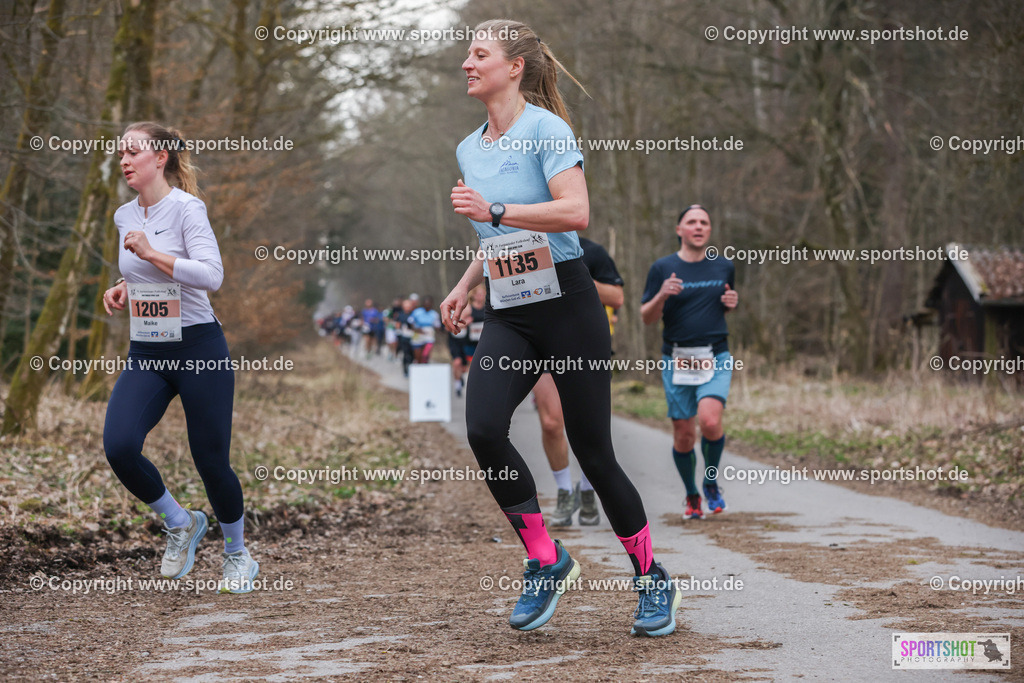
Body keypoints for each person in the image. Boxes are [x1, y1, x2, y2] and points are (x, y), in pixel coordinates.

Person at [440, 19, 680, 637]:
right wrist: (465, 285)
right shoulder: (469, 149)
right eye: (467, 53)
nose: (467, 63)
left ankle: (652, 578)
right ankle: (545, 558)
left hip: (569, 303)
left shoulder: (548, 129)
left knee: (593, 452)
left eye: (479, 53)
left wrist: (496, 208)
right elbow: (491, 235)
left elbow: (576, 211)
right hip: (510, 307)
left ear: (514, 66)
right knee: (483, 428)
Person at [102, 122, 259, 593]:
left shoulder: (189, 209)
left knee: (210, 460)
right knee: (119, 446)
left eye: (133, 151)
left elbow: (212, 275)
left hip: (198, 349)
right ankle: (180, 522)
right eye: (121, 153)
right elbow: (142, 269)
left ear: (161, 158)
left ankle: (237, 555)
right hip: (148, 350)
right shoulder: (123, 215)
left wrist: (151, 254)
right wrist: (124, 285)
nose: (124, 160)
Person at [640, 205, 738, 520]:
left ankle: (710, 482)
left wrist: (731, 304)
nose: (698, 227)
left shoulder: (723, 266)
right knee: (684, 434)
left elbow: (723, 305)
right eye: (691, 222)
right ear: (679, 229)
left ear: (709, 229)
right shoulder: (662, 267)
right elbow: (647, 317)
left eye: (704, 222)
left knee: (709, 421)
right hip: (677, 359)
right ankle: (692, 494)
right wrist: (662, 295)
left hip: (715, 355)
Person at [538, 236, 624, 527]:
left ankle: (588, 491)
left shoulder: (593, 252)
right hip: (542, 343)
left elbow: (617, 298)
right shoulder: (527, 245)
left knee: (589, 427)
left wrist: (573, 274)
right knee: (551, 424)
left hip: (586, 345)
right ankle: (564, 491)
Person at [450, 285, 486, 397]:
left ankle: (477, 386)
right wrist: (466, 323)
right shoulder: (469, 309)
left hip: (482, 342)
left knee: (481, 366)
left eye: (482, 294)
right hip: (469, 342)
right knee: (469, 365)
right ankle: (467, 387)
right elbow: (456, 324)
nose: (481, 296)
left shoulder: (488, 308)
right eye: (478, 294)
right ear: (473, 295)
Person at [410, 296, 441, 363]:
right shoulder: (417, 312)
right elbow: (410, 323)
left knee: (425, 355)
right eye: (426, 303)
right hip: (417, 332)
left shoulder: (434, 314)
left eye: (429, 303)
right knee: (417, 354)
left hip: (429, 333)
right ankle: (418, 363)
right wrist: (416, 329)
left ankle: (424, 363)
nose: (427, 305)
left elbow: (437, 326)